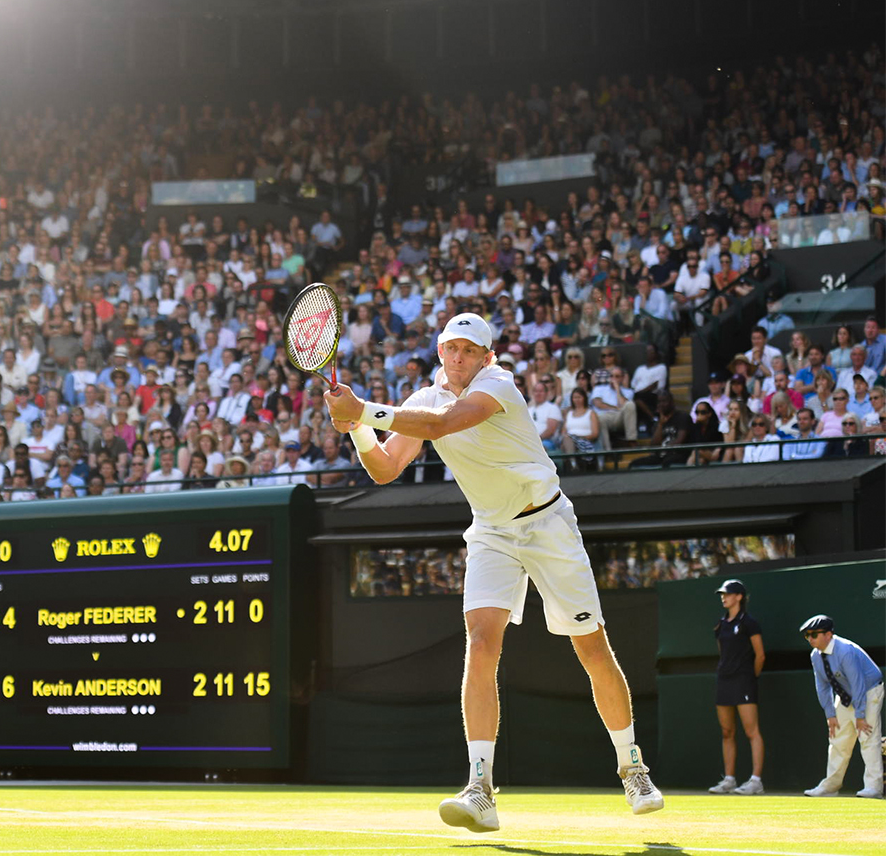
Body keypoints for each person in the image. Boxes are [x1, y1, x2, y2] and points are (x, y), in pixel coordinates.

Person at [323, 313, 661, 831]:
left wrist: (363, 409)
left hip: (547, 522)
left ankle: (632, 767)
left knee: (592, 648)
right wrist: (359, 430)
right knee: (481, 643)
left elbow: (439, 426)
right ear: (441, 352)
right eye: (451, 348)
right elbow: (385, 469)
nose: (458, 357)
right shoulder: (422, 399)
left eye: (469, 350)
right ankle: (480, 788)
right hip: (491, 532)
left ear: (487, 357)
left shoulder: (498, 386)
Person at [800, 615, 883, 798]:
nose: (810, 639)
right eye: (807, 636)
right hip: (845, 695)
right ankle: (830, 786)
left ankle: (874, 787)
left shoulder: (845, 651)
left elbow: (858, 684)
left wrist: (860, 715)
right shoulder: (815, 655)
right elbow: (822, 686)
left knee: (867, 737)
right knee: (837, 739)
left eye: (814, 634)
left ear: (828, 634)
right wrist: (830, 714)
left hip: (869, 691)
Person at [707, 580, 766, 795]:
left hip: (744, 681)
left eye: (728, 594)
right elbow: (723, 653)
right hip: (724, 681)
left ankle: (756, 781)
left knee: (751, 731)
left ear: (739, 596)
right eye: (722, 594)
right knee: (727, 731)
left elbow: (760, 655)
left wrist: (750, 676)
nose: (724, 597)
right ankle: (729, 779)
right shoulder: (720, 625)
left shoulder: (749, 623)